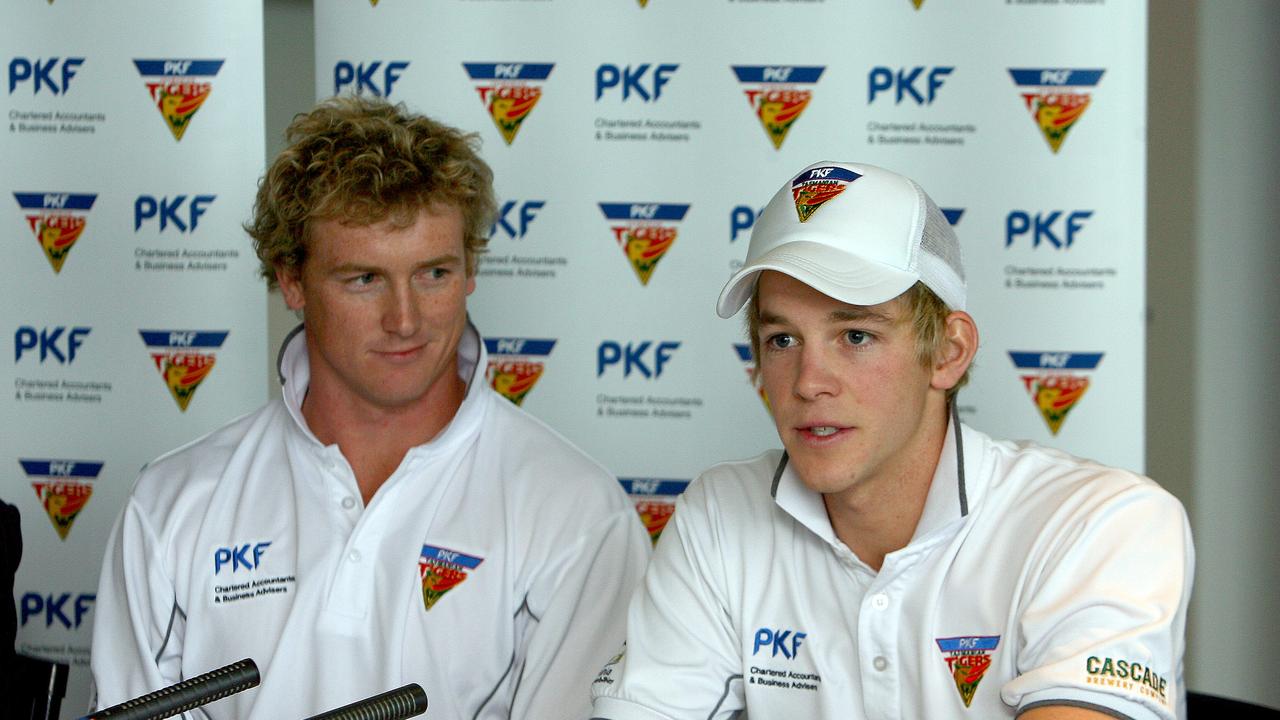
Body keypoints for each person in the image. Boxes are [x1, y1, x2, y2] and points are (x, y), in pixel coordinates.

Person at [91, 96, 651, 720]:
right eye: (364, 279)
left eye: (434, 273)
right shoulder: (171, 505)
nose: (404, 319)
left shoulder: (576, 513)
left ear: (470, 270)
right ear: (292, 280)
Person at [590, 162, 1194, 720]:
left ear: (949, 352)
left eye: (855, 336)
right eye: (782, 339)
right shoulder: (722, 512)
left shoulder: (1102, 521)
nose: (808, 382)